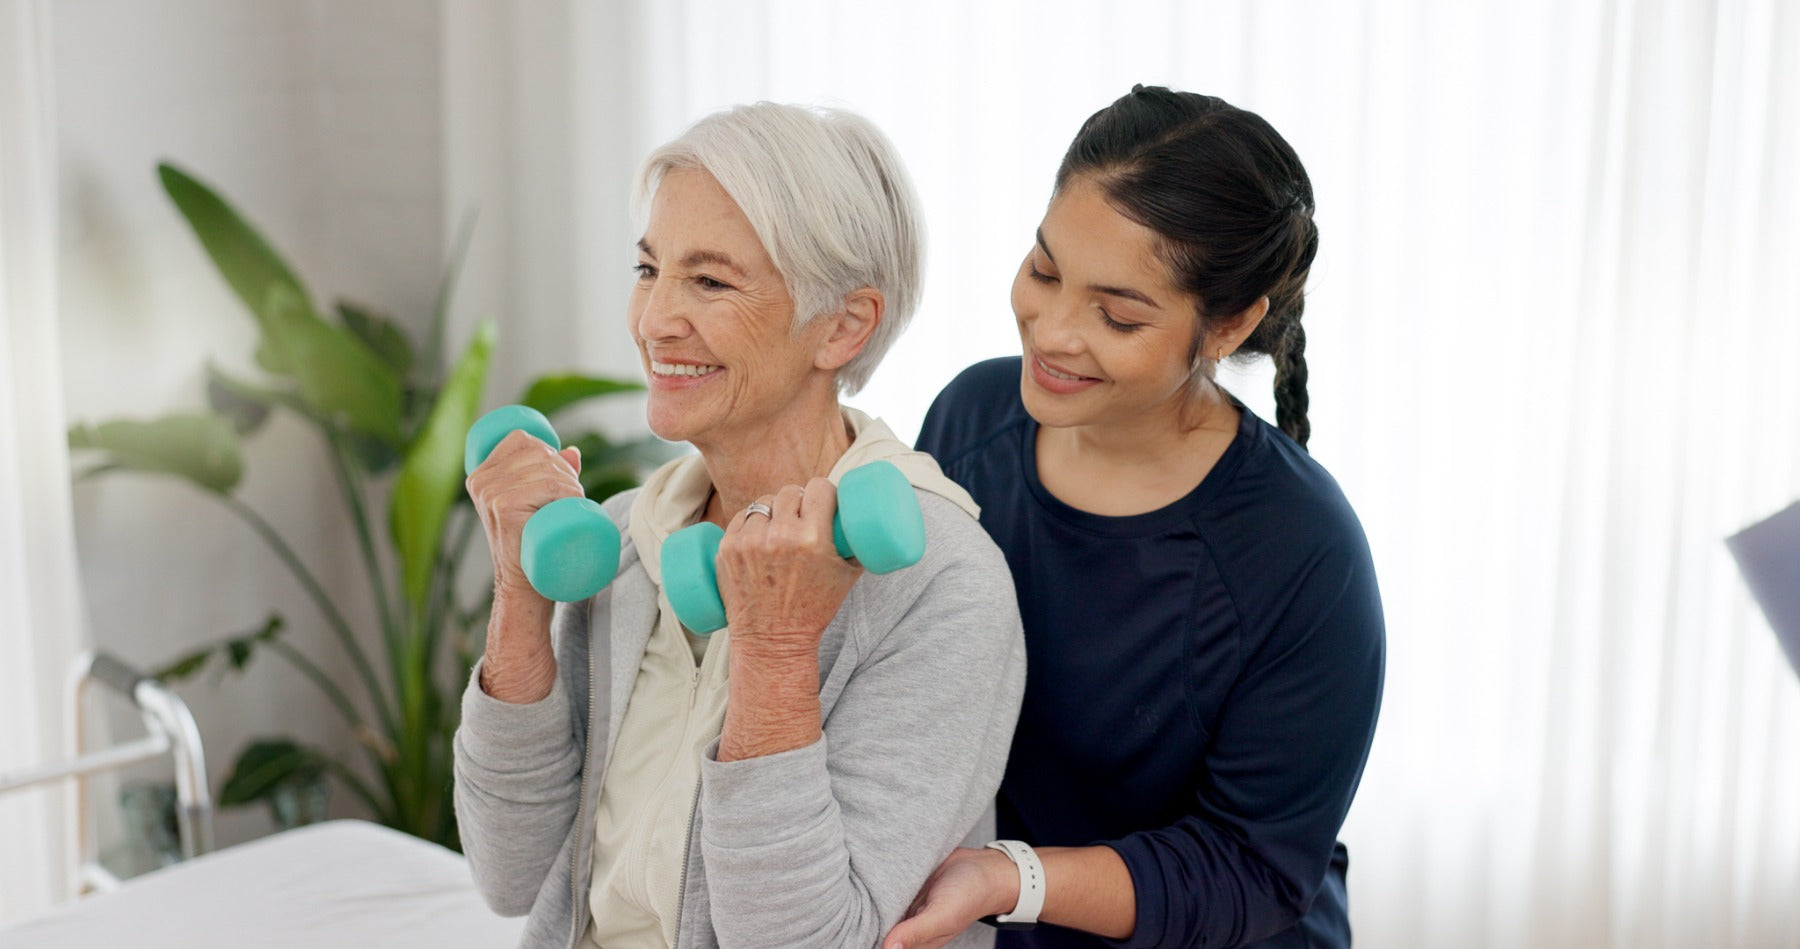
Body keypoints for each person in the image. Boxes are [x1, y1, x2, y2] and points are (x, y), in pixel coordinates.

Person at [454, 102, 1026, 949]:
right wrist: (517, 591)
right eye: (649, 269)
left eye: (711, 281)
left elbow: (802, 940)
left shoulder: (942, 584)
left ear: (844, 325)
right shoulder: (623, 541)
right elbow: (509, 873)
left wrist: (776, 651)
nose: (654, 320)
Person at [887, 86, 1385, 949]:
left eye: (1117, 314)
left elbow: (1253, 867)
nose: (1051, 331)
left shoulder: (1303, 552)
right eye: (1044, 271)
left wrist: (1013, 875)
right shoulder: (970, 420)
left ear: (1228, 325)